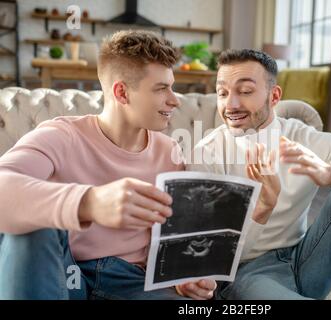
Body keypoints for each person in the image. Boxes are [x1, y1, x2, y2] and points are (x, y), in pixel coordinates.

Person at [188, 49, 331, 300]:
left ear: (274, 96)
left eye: (245, 92)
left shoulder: (303, 138)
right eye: (222, 93)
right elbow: (211, 255)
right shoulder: (207, 154)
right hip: (246, 273)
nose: (231, 105)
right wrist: (263, 208)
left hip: (306, 259)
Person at [0, 30, 216, 300]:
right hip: (65, 270)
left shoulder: (168, 151)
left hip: (131, 279)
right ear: (122, 92)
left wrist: (185, 275)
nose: (175, 100)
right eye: (162, 88)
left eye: (172, 87)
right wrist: (89, 202)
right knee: (31, 222)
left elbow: (175, 236)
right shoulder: (62, 135)